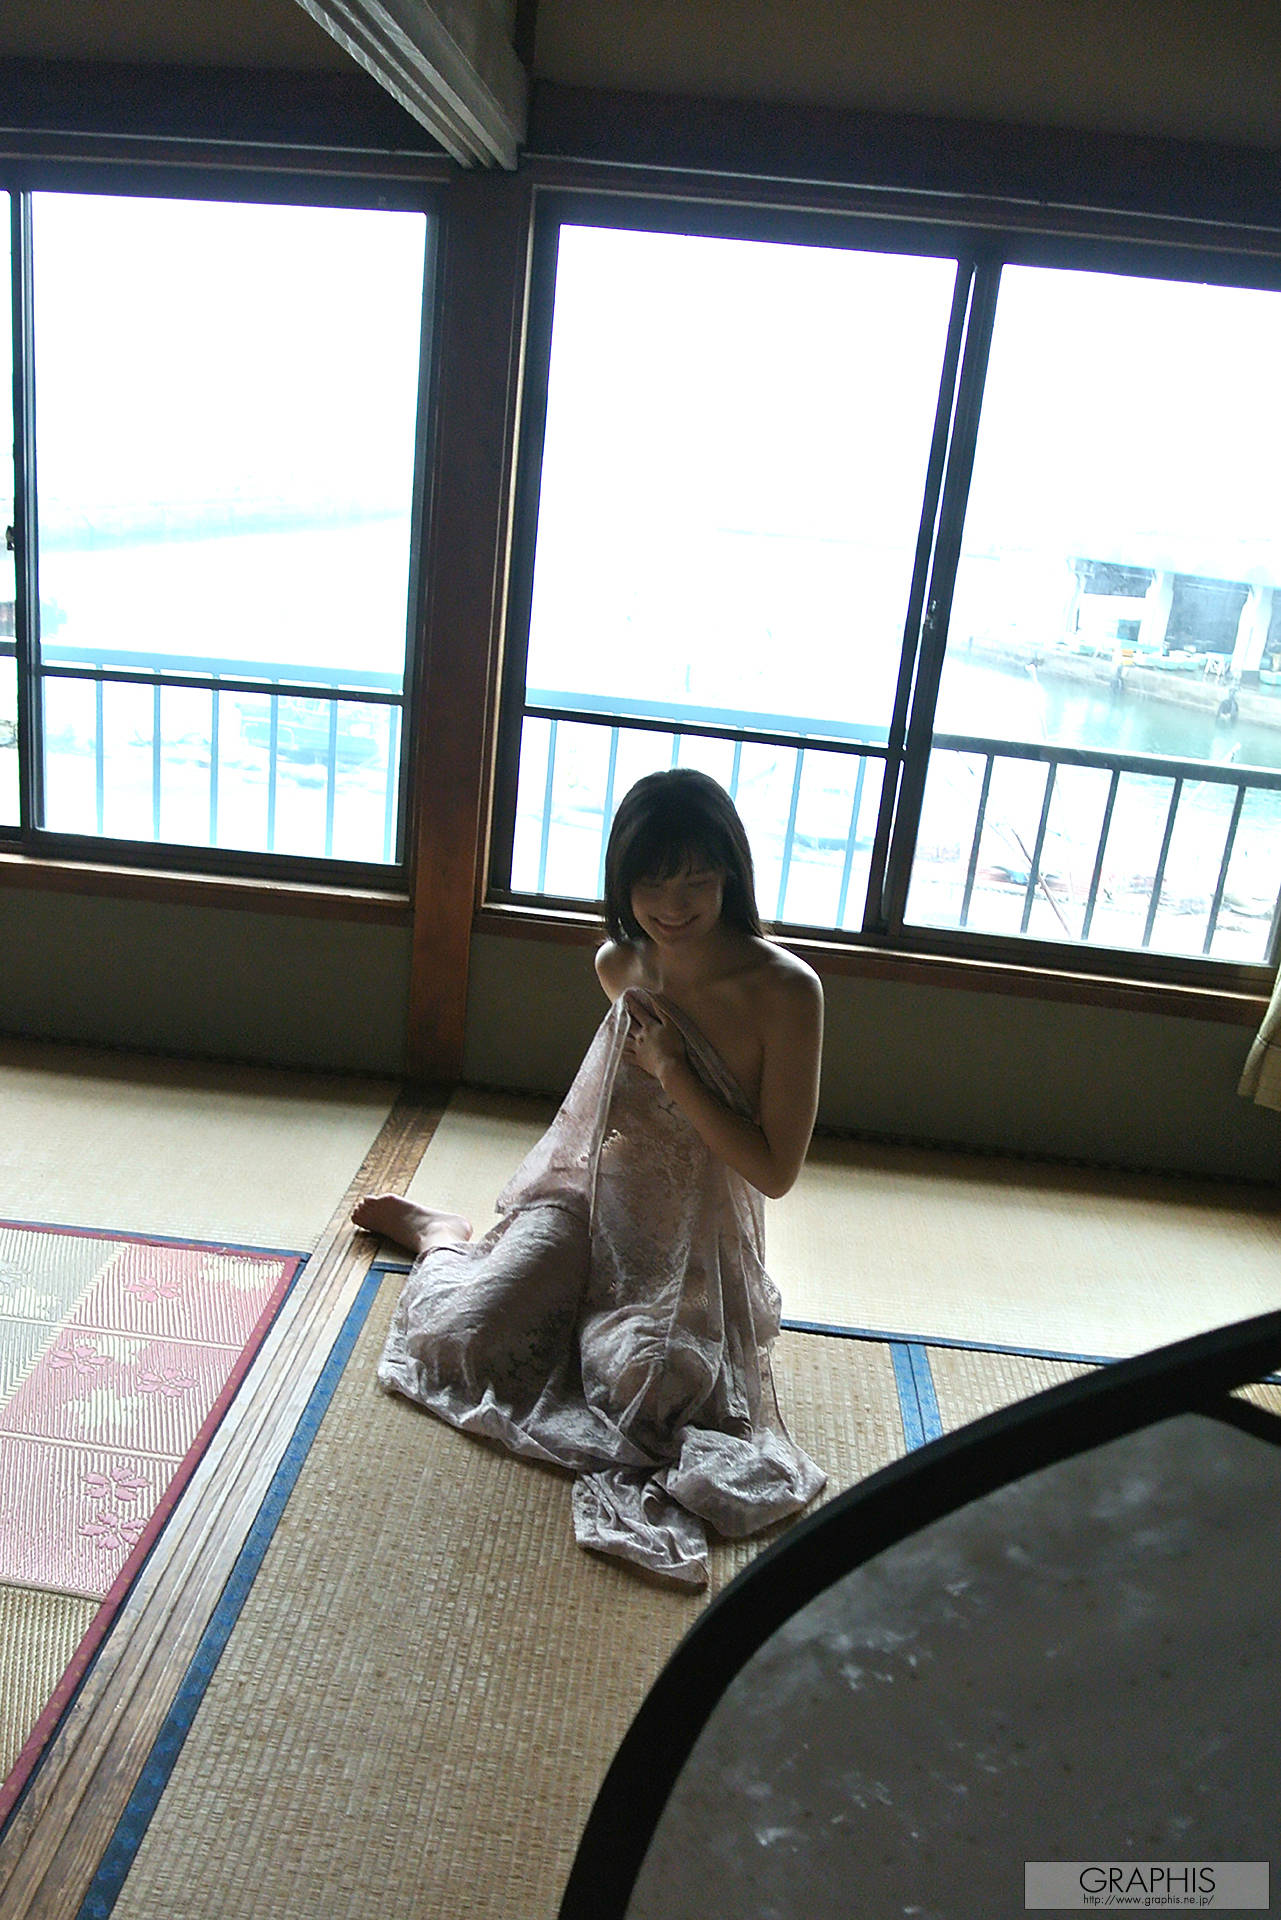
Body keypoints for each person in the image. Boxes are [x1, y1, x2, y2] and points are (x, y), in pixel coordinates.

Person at [354, 768, 827, 1588]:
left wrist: (674, 1071)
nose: (671, 905)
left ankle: (566, 1305)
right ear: (621, 881)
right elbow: (609, 1120)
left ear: (730, 873)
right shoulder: (620, 963)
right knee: (458, 1341)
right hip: (590, 1203)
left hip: (694, 1245)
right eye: (650, 882)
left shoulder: (786, 991)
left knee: (655, 1397)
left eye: (695, 879)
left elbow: (773, 1172)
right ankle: (441, 1237)